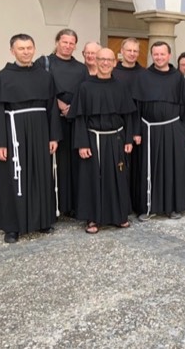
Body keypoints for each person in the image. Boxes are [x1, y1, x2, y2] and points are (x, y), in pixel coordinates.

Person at [0, 34, 61, 243]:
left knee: (40, 174)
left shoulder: (45, 76)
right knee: (12, 178)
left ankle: (43, 220)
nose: (26, 52)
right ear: (12, 51)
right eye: (21, 48)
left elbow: (52, 107)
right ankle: (12, 227)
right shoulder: (2, 77)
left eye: (29, 48)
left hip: (40, 131)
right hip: (13, 133)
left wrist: (53, 136)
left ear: (34, 49)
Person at [70, 48, 136, 234]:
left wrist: (128, 139)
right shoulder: (85, 87)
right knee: (93, 178)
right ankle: (93, 218)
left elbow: (128, 115)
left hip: (116, 138)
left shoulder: (121, 86)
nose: (105, 63)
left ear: (115, 62)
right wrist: (82, 143)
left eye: (109, 60)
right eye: (101, 59)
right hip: (93, 139)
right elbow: (80, 118)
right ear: (95, 61)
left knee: (118, 177)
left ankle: (119, 215)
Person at [132, 41, 185, 221]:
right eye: (155, 54)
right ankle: (148, 206)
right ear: (152, 55)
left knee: (173, 168)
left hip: (174, 129)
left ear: (169, 55)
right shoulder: (143, 77)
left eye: (162, 54)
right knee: (148, 169)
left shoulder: (177, 77)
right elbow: (137, 107)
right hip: (149, 129)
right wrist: (136, 132)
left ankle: (173, 207)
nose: (159, 57)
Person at [34, 29, 87, 218]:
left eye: (72, 43)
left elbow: (84, 92)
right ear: (57, 42)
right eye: (64, 42)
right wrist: (59, 104)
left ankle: (70, 206)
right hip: (51, 120)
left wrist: (71, 108)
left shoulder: (81, 68)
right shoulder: (44, 63)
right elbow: (40, 87)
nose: (68, 46)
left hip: (73, 121)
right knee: (51, 164)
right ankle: (51, 206)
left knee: (72, 165)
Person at [113, 38, 146, 215]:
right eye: (129, 50)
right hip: (117, 125)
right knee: (120, 166)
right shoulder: (113, 72)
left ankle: (138, 204)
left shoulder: (144, 74)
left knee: (138, 167)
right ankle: (121, 205)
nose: (132, 54)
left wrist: (136, 130)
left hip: (138, 126)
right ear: (122, 51)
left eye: (135, 51)